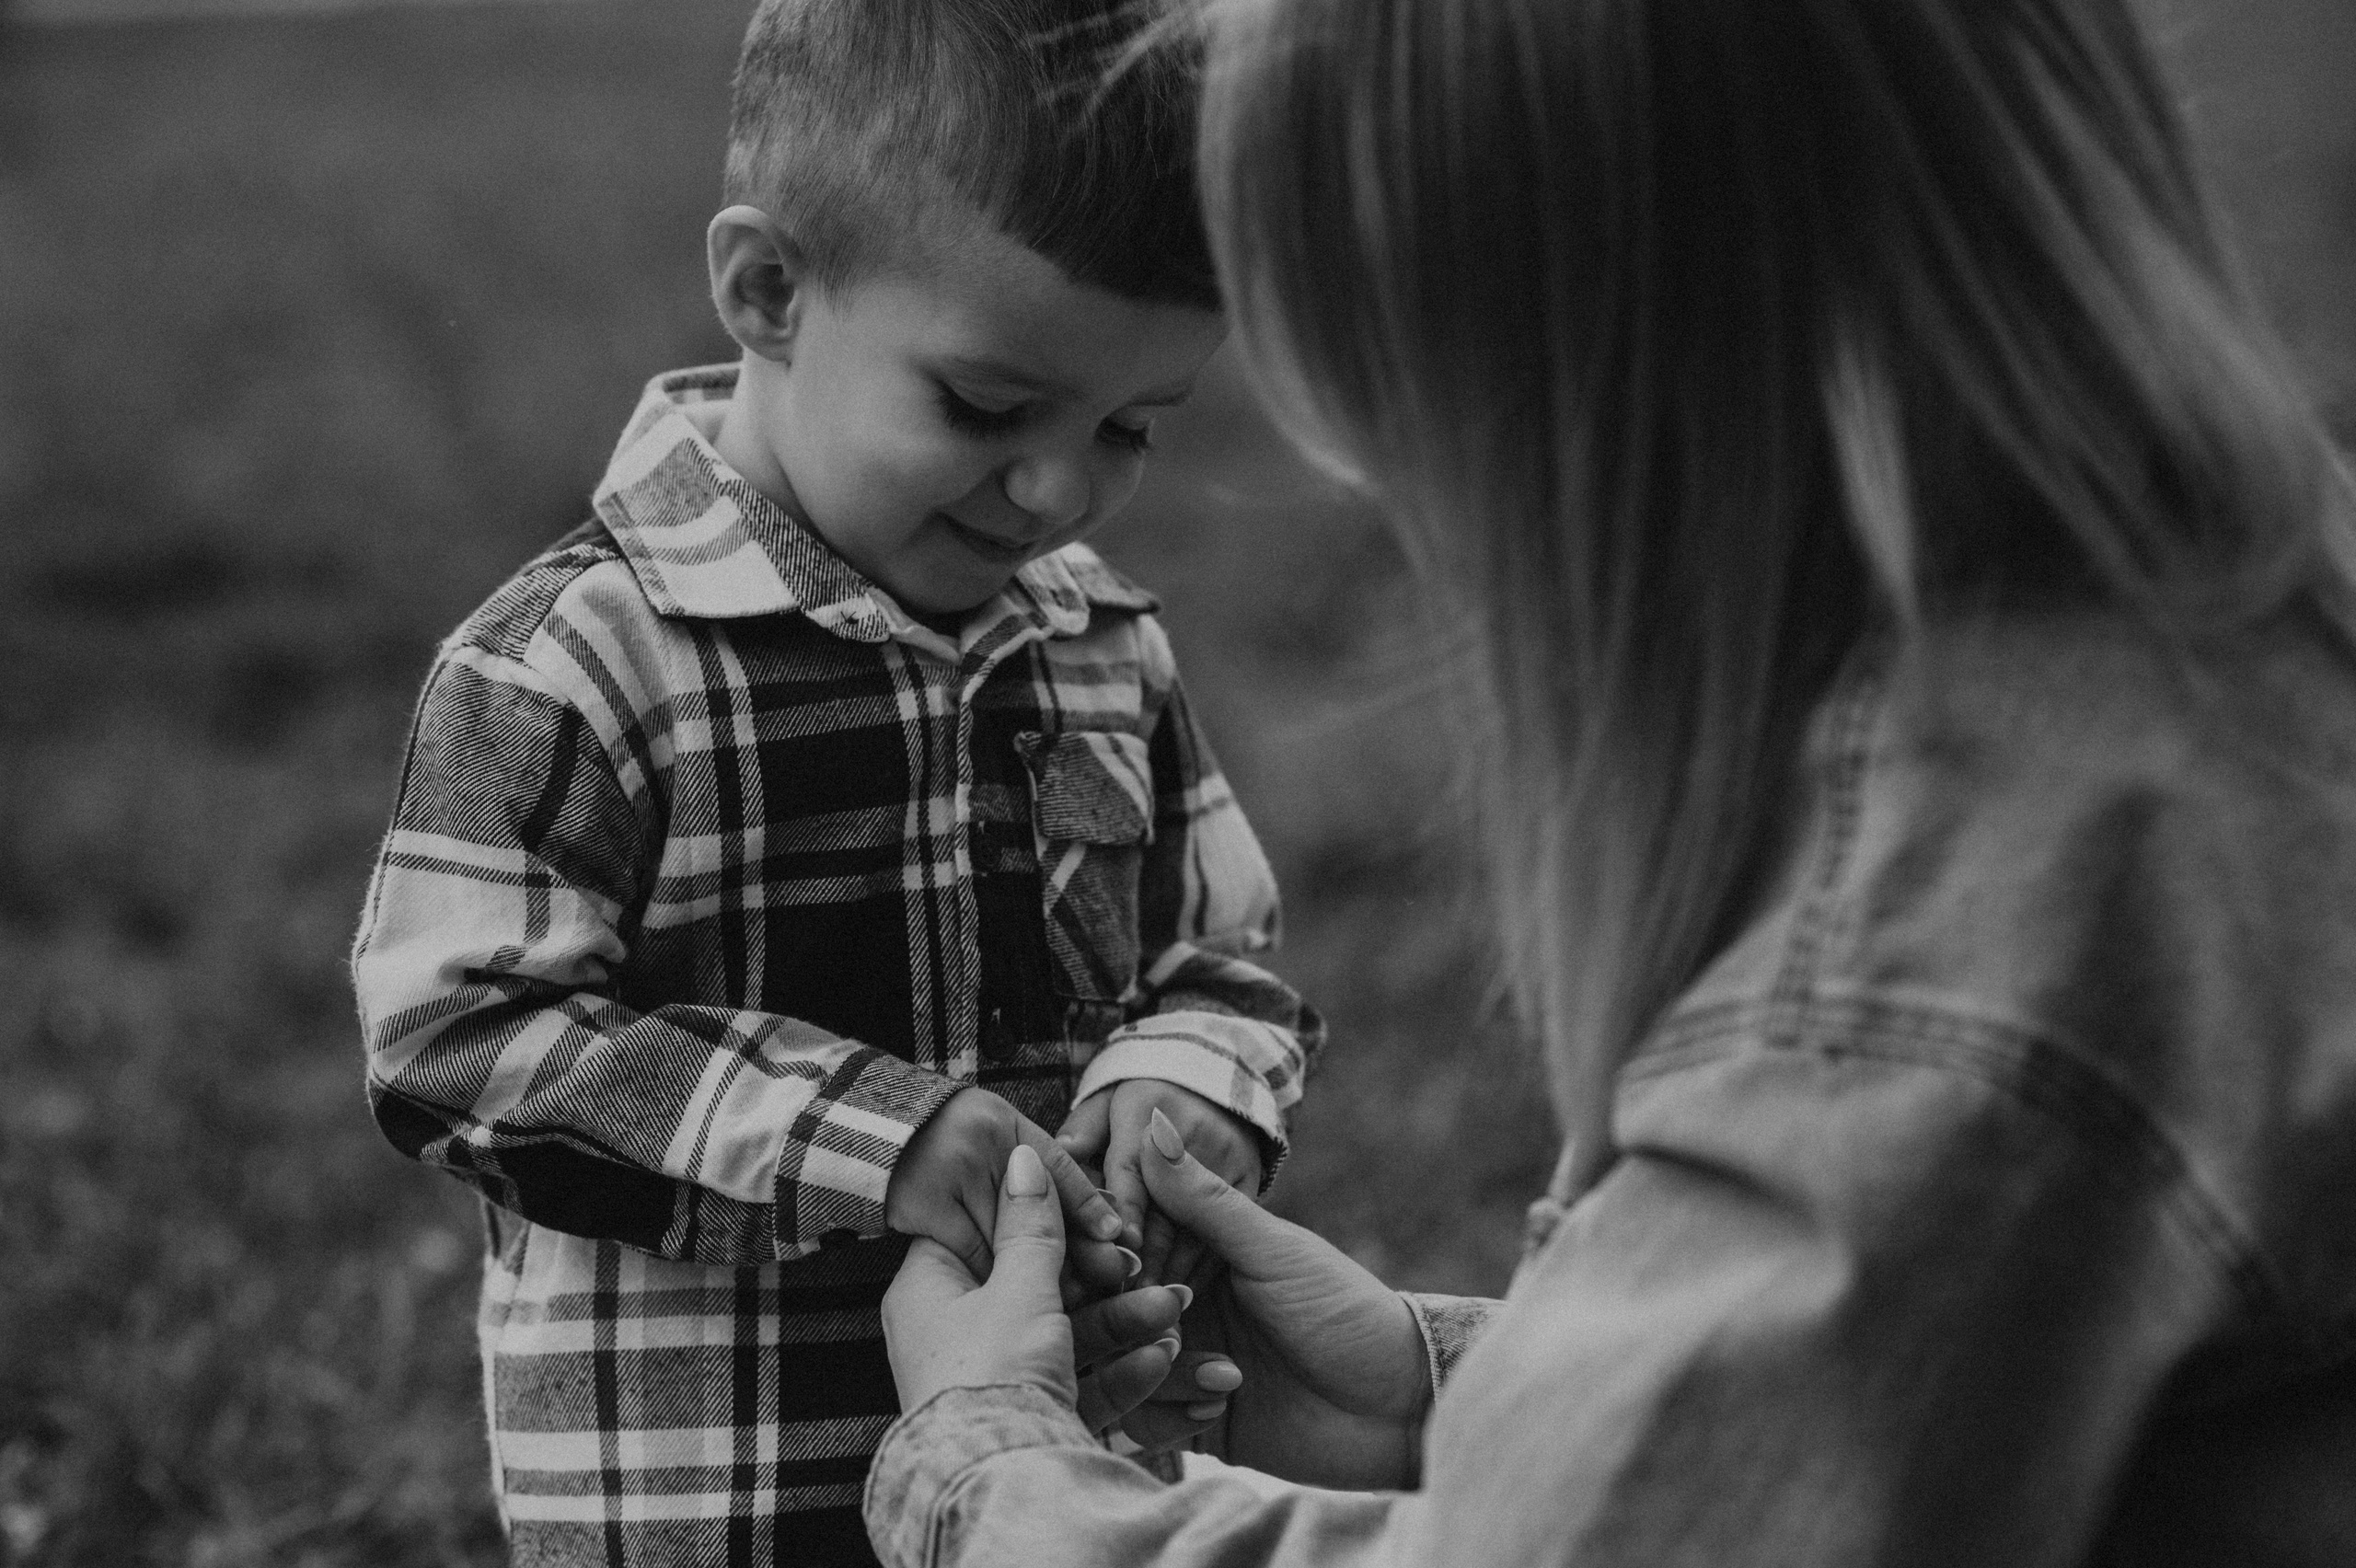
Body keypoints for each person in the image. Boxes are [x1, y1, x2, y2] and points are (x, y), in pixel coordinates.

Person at [859, 0, 2356, 1562]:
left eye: (1411, 428)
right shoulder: (2233, 674)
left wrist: (989, 1464)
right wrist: (1461, 1398)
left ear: (1585, 405)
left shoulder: (1937, 962)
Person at [348, 3, 1322, 1562]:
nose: (1058, 489)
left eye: (1129, 425)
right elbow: (452, 1044)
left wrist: (1187, 1082)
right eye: (988, 409)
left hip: (1053, 1490)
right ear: (769, 290)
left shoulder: (1104, 649)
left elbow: (1222, 956)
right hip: (711, 1498)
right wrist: (878, 1140)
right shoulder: (573, 663)